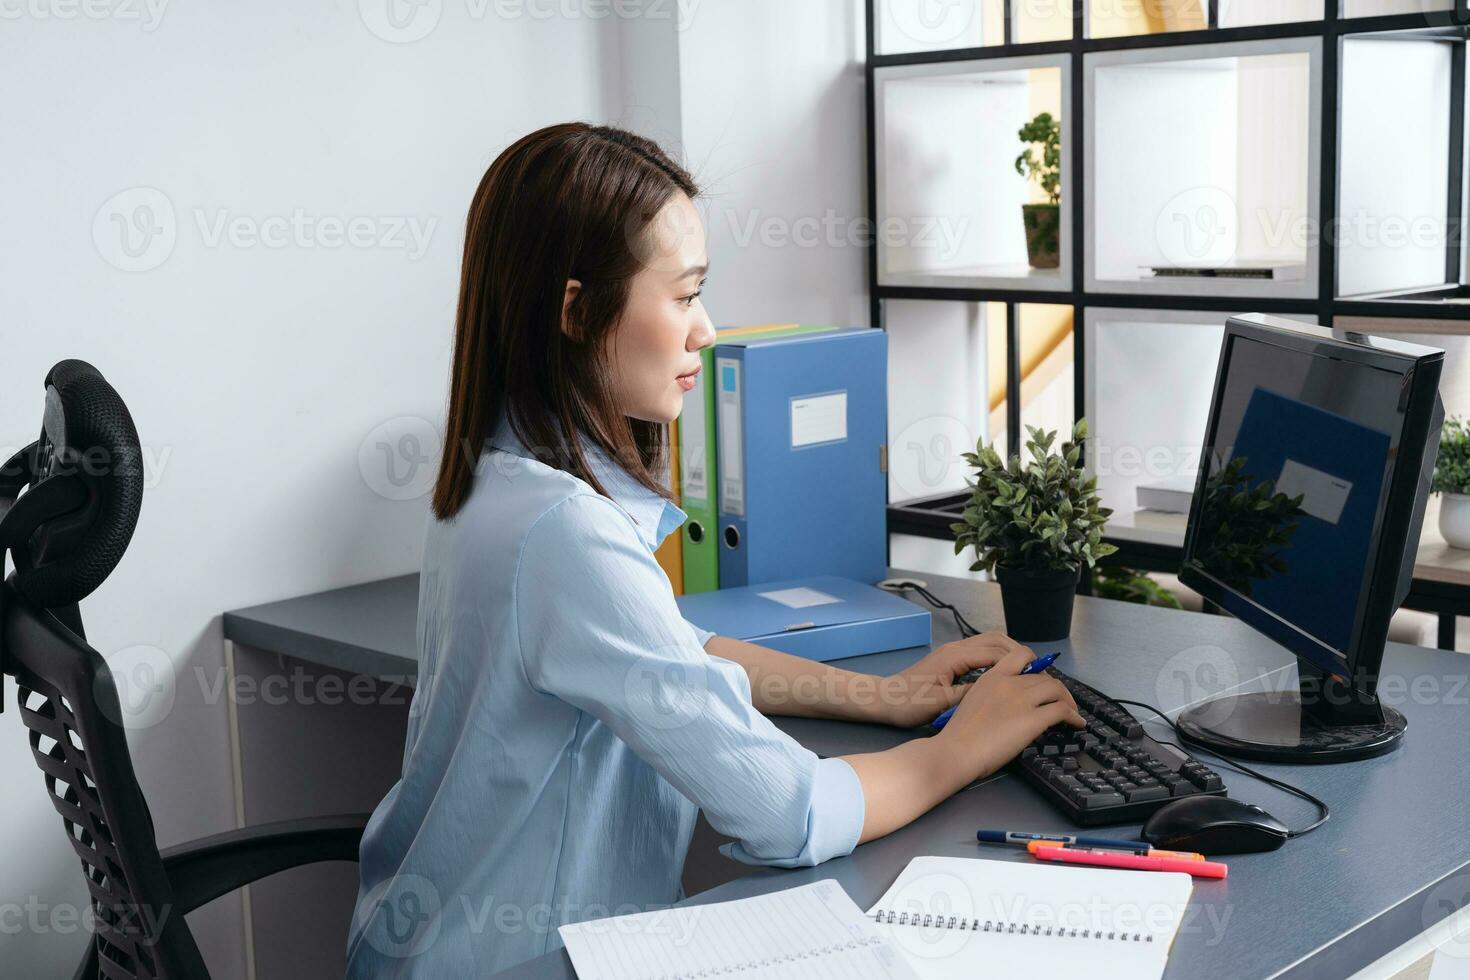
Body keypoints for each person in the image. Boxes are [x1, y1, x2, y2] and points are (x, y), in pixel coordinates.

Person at [345, 122, 1083, 978]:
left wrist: (876, 696)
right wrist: (957, 751)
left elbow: (663, 646)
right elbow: (784, 812)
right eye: (684, 295)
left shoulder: (492, 473)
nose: (706, 331)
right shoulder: (564, 532)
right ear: (576, 310)